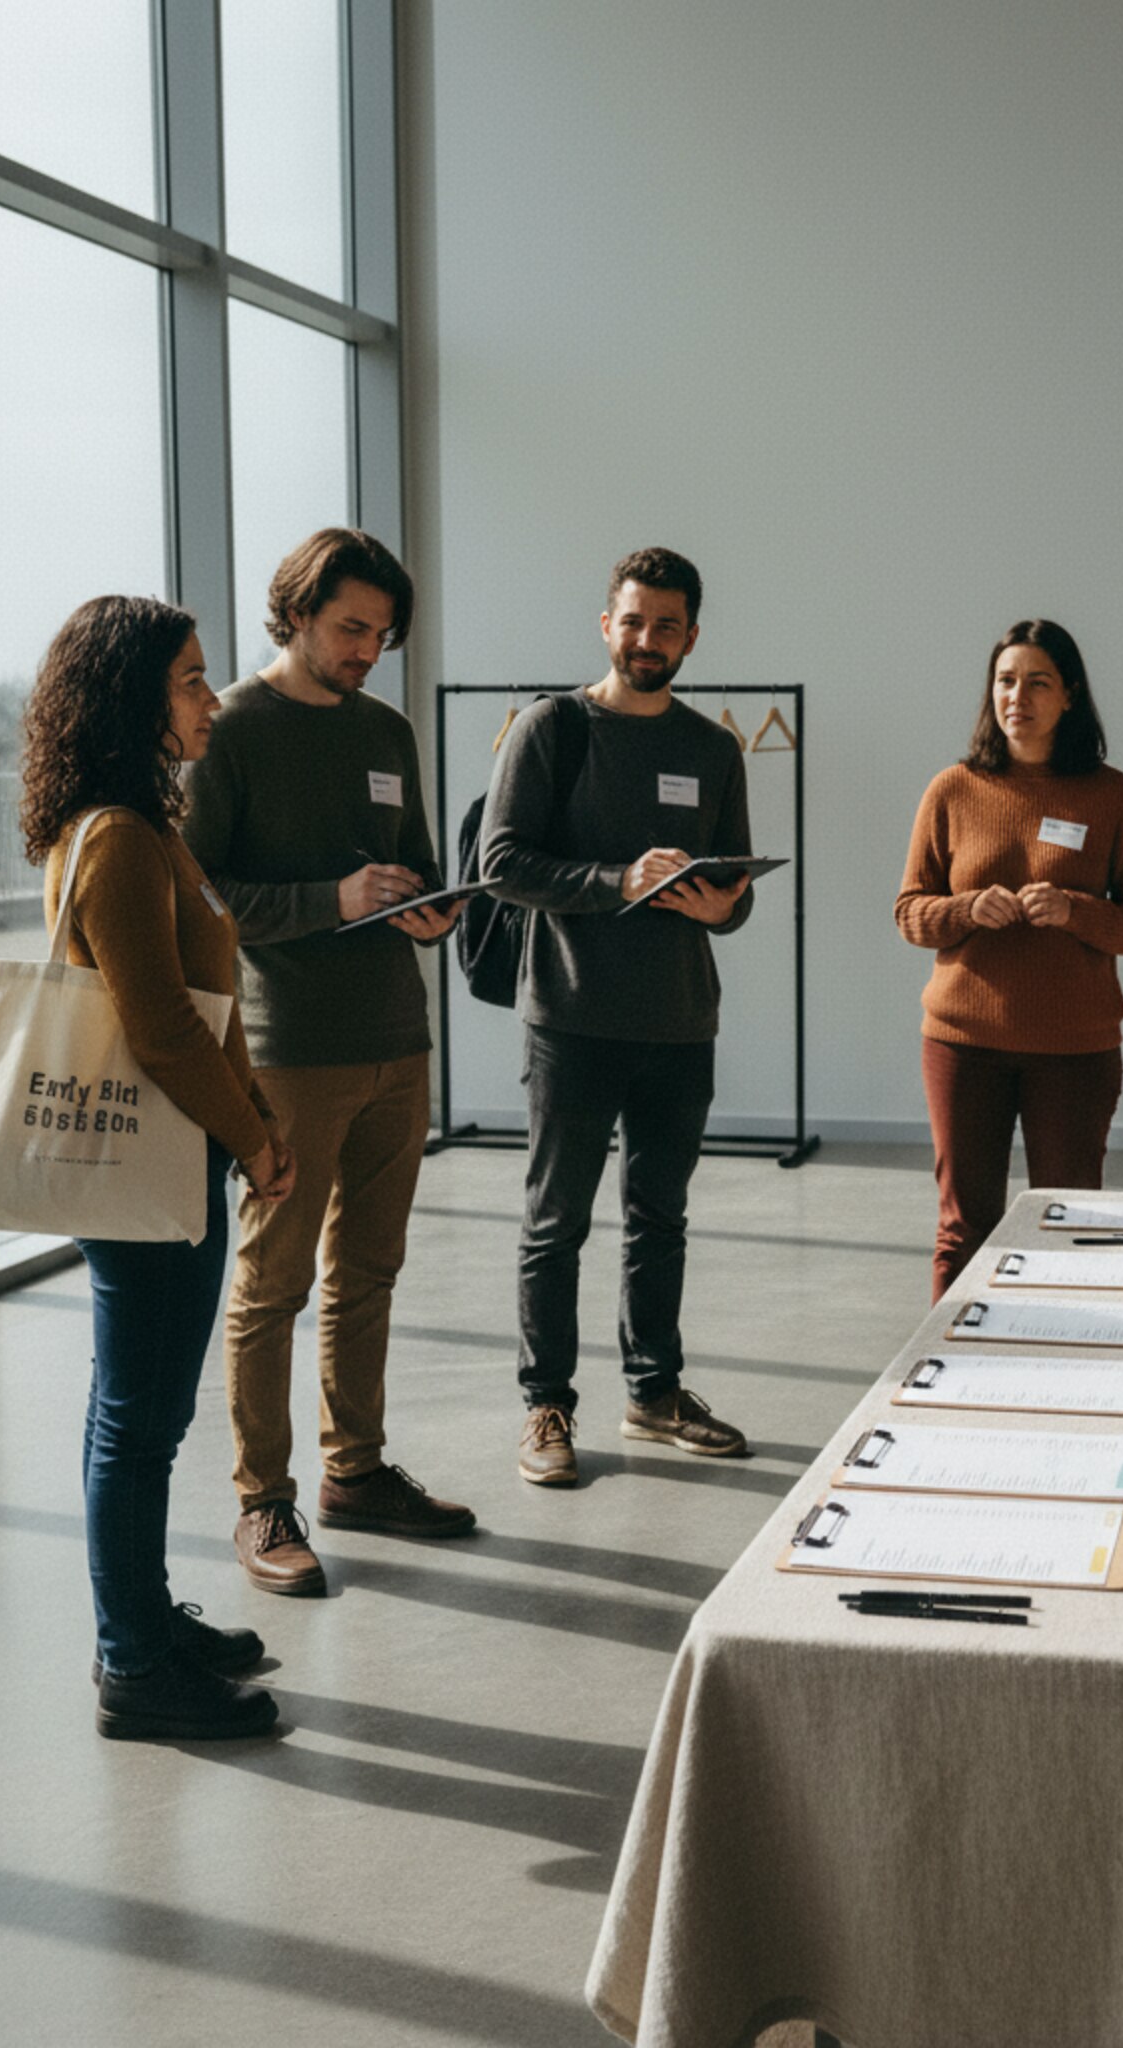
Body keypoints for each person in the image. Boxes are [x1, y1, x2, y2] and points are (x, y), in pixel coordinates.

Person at [19, 595, 294, 1740]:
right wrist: (256, 1134)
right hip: (156, 1170)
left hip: (175, 1158)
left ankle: (139, 1624)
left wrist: (251, 1111)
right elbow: (163, 1027)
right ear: (133, 697)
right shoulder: (122, 840)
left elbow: (198, 1009)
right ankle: (135, 1662)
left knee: (137, 1417)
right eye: (189, 679)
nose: (209, 698)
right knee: (136, 1425)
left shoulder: (140, 823)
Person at [183, 529, 475, 1597]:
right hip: (286, 1052)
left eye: (381, 634)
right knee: (273, 1282)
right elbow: (202, 897)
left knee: (371, 1271)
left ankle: (354, 1468)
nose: (367, 649)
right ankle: (263, 1499)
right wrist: (329, 901)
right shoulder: (230, 732)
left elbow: (420, 871)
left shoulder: (388, 728)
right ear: (297, 611)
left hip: (398, 1037)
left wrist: (431, 912)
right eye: (351, 628)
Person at [479, 547, 754, 1486]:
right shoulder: (553, 729)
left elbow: (736, 886)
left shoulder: (715, 748)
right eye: (633, 622)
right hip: (571, 1019)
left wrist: (724, 904)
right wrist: (613, 881)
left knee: (660, 1218)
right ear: (607, 625)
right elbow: (501, 862)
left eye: (667, 626)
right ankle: (546, 1408)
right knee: (557, 1222)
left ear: (691, 637)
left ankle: (654, 1393)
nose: (648, 640)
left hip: (681, 1022)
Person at [895, 620, 1123, 1301]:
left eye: (1037, 682)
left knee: (1069, 1225)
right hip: (962, 1044)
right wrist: (963, 910)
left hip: (1075, 1050)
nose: (1017, 696)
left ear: (1070, 696)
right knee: (964, 1229)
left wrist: (1076, 910)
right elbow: (909, 913)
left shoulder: (1113, 796)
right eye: (1006, 681)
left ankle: (1063, 1377)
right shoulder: (951, 789)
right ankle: (950, 1389)